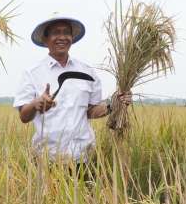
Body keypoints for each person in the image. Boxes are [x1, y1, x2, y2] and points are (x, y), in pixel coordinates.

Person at [14, 14, 131, 163]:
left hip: (83, 157)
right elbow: (24, 116)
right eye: (56, 32)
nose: (62, 37)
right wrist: (36, 104)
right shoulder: (32, 73)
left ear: (72, 38)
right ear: (45, 39)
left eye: (66, 33)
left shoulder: (87, 71)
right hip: (46, 158)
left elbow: (91, 111)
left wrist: (113, 105)